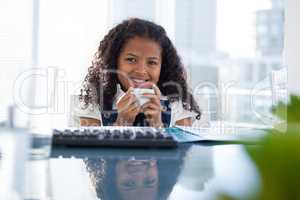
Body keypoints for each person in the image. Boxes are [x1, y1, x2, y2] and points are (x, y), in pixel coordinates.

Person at [75, 18, 201, 127]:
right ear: (114, 61)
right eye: (131, 59)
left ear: (163, 66)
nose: (141, 71)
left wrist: (157, 125)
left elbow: (185, 151)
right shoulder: (94, 100)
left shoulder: (176, 103)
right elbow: (91, 151)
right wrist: (121, 122)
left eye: (152, 62)